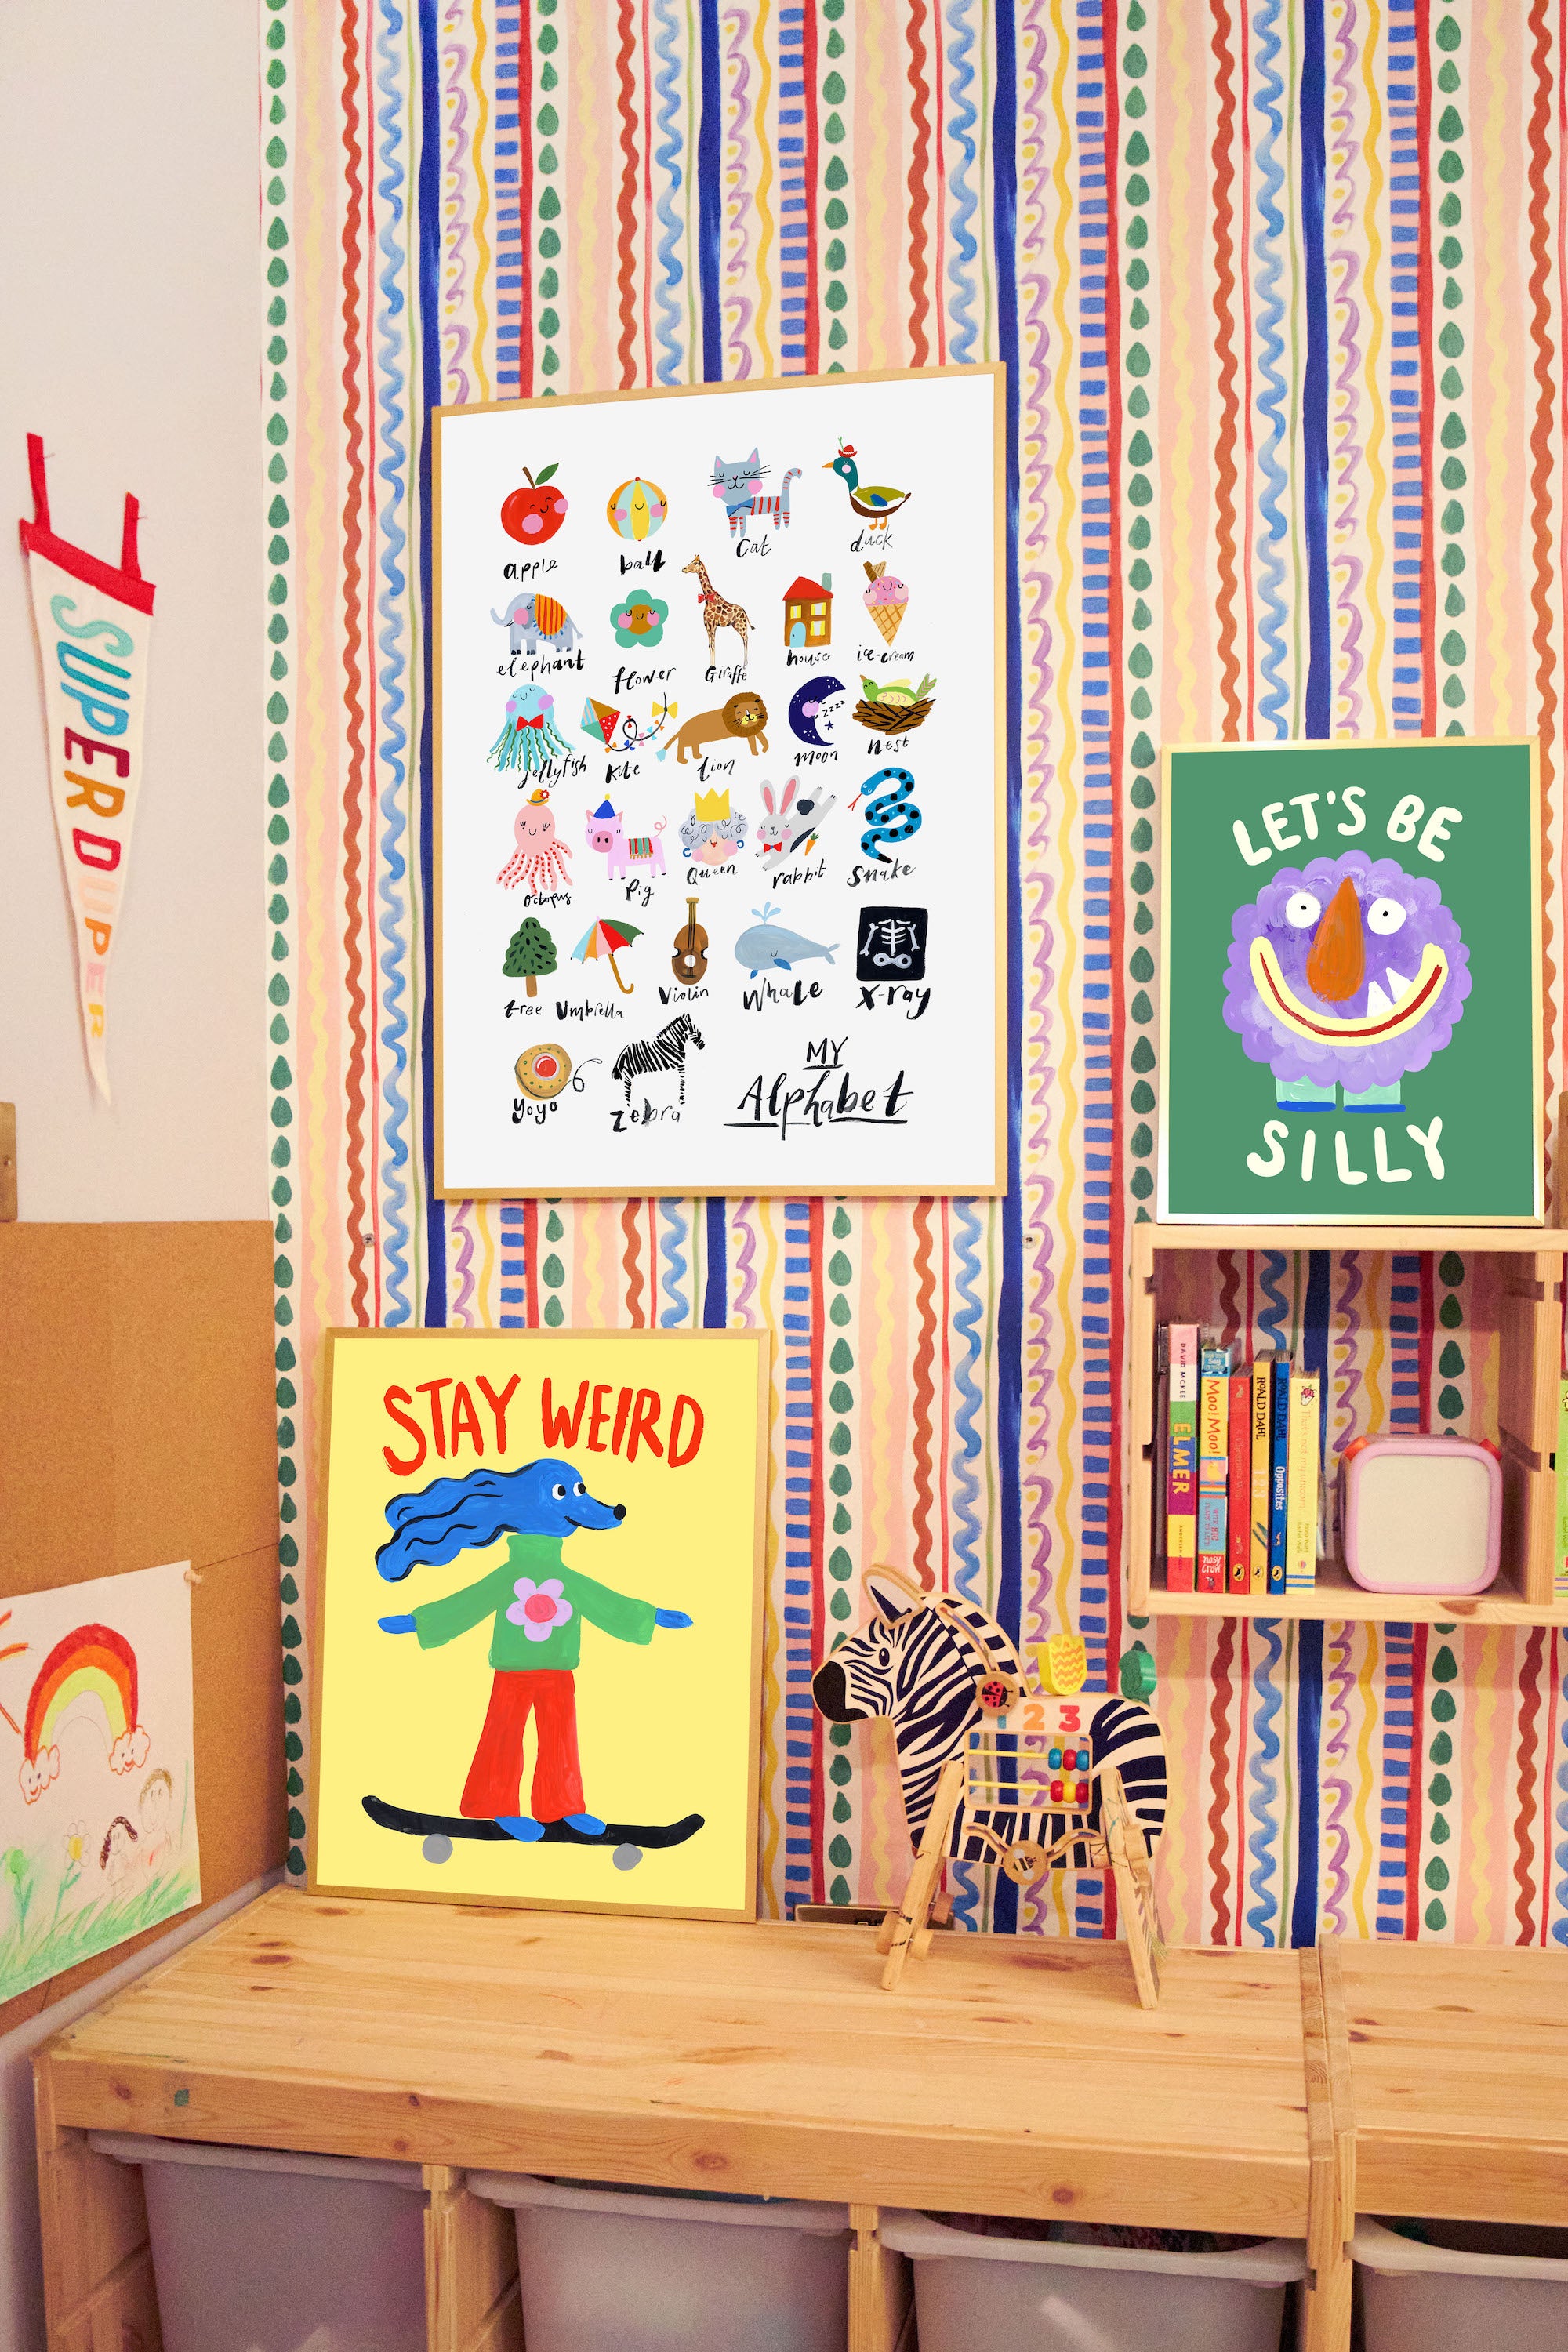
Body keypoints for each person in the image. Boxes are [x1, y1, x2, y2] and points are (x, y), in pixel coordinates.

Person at [376, 1456, 692, 1842]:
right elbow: (470, 1601)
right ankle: (495, 1805)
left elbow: (604, 1601)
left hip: (558, 1671)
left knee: (561, 1738)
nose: (580, 1502)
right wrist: (420, 1621)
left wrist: (651, 1616)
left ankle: (564, 1806)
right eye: (564, 1493)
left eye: (579, 1491)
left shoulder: (565, 1578)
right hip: (513, 1671)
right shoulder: (511, 1576)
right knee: (503, 1734)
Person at [138, 1769, 174, 1873]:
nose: (155, 1801)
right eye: (152, 1794)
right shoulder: (140, 1849)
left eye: (160, 1794)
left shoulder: (169, 1846)